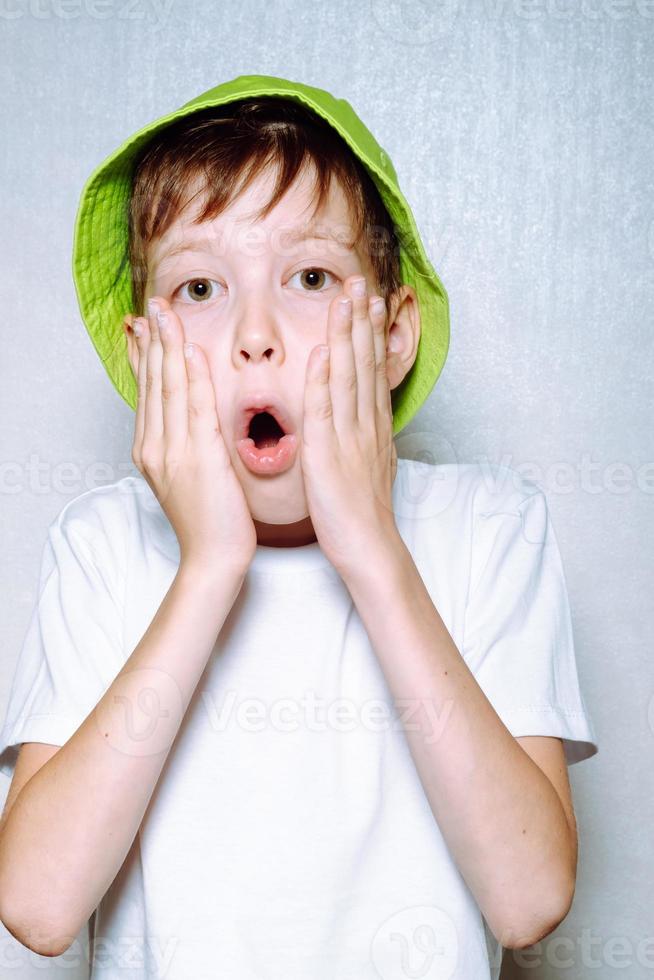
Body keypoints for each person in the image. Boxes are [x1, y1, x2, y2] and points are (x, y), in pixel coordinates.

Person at [0, 75, 598, 979]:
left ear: (394, 333)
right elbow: (39, 909)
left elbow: (528, 901)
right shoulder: (102, 546)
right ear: (143, 353)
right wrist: (209, 567)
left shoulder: (488, 526)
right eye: (200, 287)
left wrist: (370, 548)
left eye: (310, 277)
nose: (256, 334)